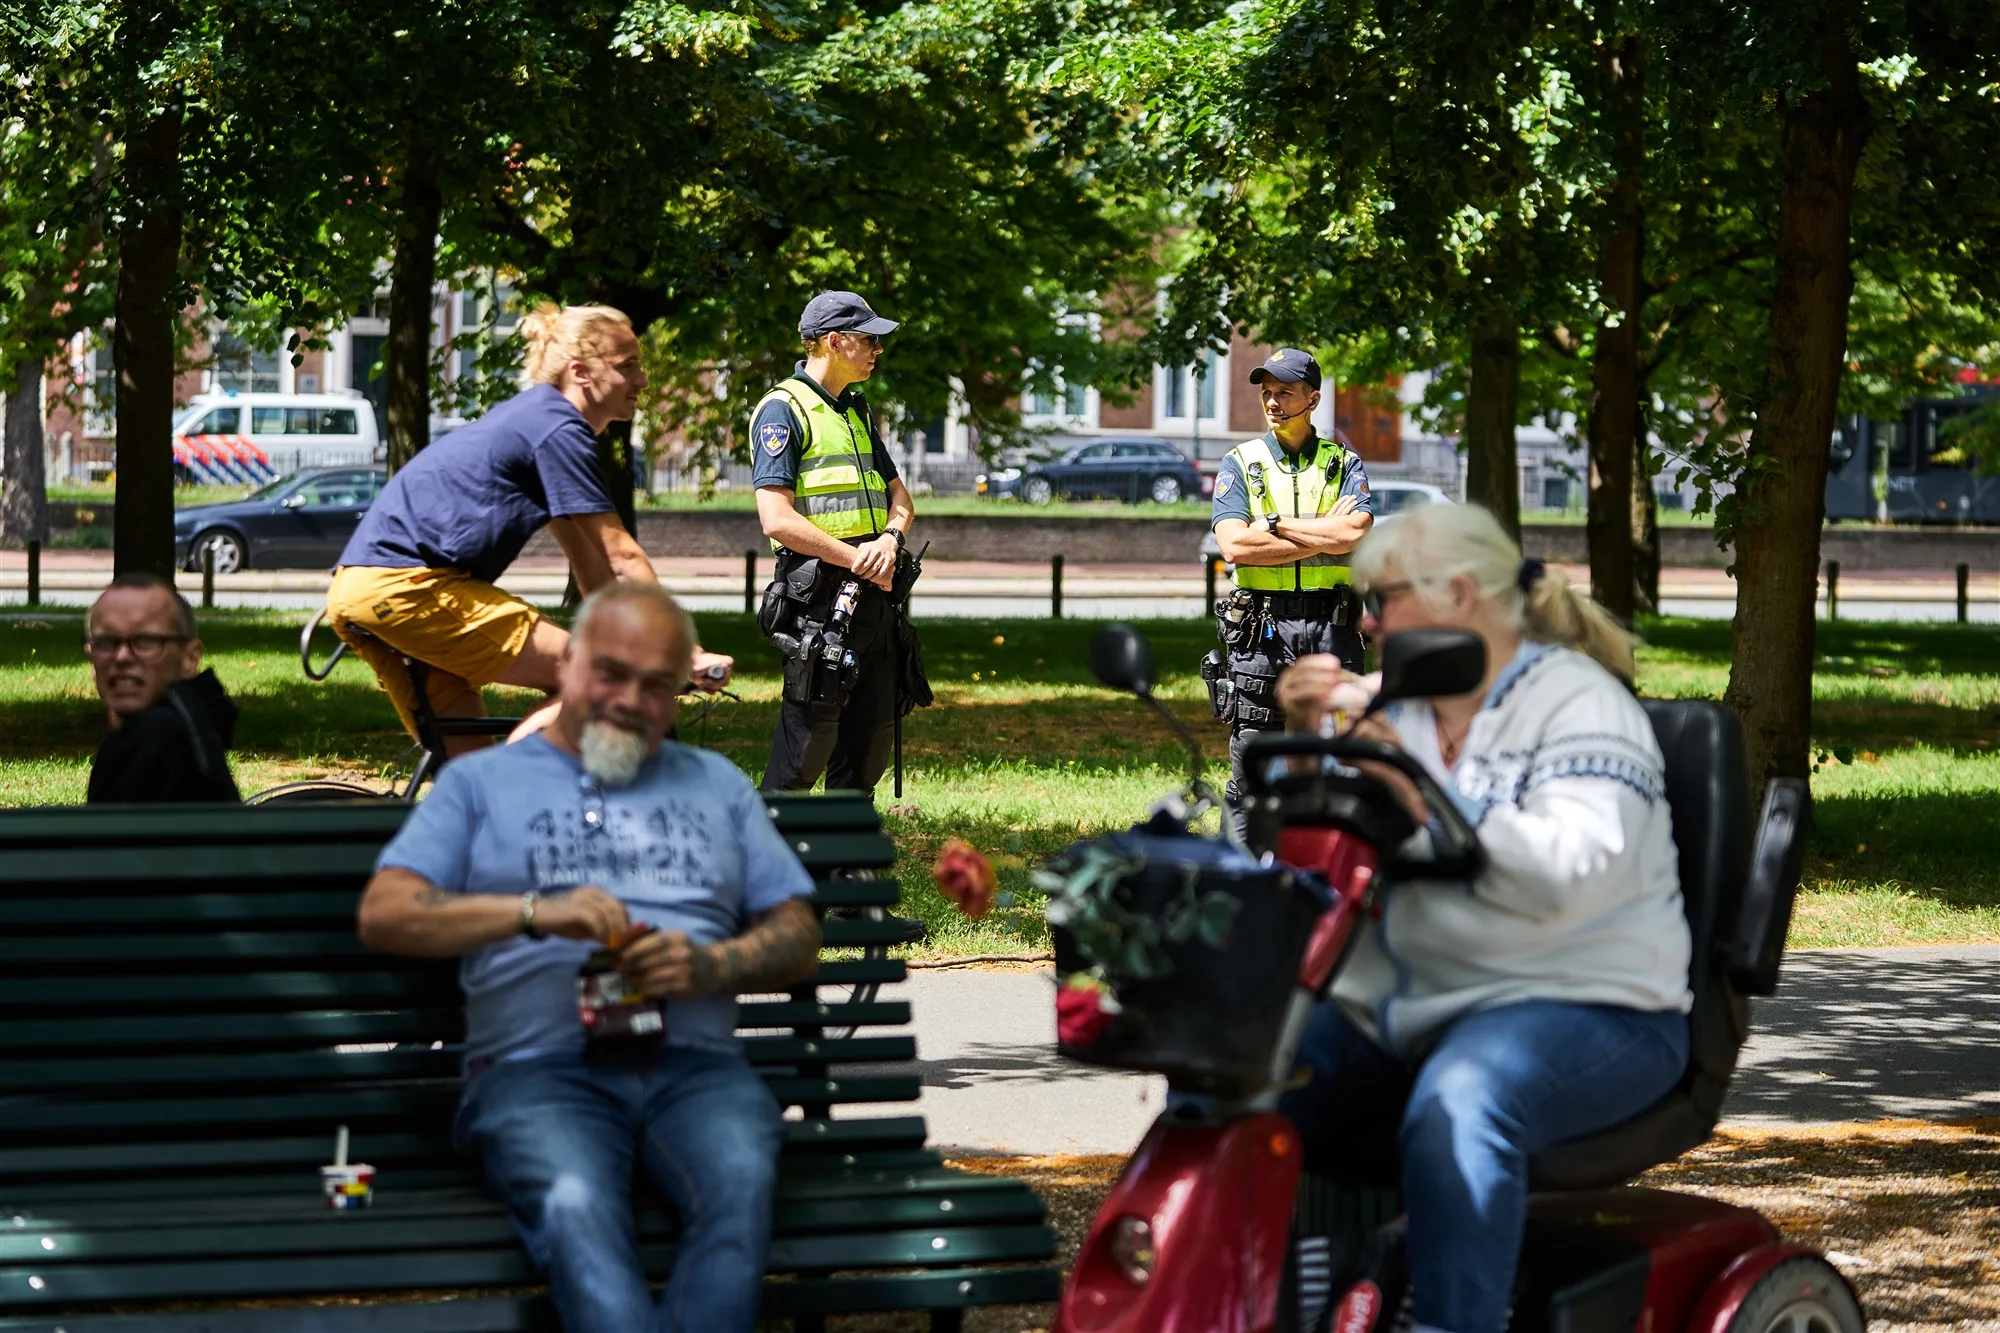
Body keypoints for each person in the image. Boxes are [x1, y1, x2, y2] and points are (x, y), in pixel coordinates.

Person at [1271, 503, 1690, 1333]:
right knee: (1249, 1069)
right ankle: (1265, 1304)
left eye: (1380, 599)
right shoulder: (1395, 705)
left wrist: (1418, 791)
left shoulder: (1580, 703)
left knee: (1464, 1097)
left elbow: (1569, 874)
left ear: (1458, 594)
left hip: (1597, 1005)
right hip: (1417, 1006)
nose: (1365, 621)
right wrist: (1301, 734)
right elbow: (1309, 862)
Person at [355, 583, 819, 1333]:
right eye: (611, 673)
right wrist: (532, 913)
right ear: (567, 665)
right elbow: (386, 911)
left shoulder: (716, 787)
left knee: (739, 1178)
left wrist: (714, 966)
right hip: (537, 1069)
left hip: (693, 1069)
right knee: (575, 1203)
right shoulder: (482, 783)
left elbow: (796, 930)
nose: (630, 700)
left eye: (657, 684)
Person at [327, 303, 731, 755]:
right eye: (627, 366)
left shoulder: (537, 422)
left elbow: (593, 567)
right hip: (411, 588)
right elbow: (622, 557)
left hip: (362, 589)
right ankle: (511, 773)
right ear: (580, 372)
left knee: (467, 767)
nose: (643, 381)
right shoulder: (557, 429)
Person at [752, 290, 917, 800]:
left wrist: (890, 539)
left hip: (875, 604)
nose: (877, 350)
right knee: (802, 755)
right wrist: (859, 560)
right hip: (820, 607)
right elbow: (775, 519)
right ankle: (771, 846)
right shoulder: (783, 410)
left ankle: (846, 848)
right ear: (834, 341)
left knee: (868, 751)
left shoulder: (857, 411)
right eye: (869, 340)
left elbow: (901, 499)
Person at [1207, 348, 1373, 817]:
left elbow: (1354, 533)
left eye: (1285, 392)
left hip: (1332, 627)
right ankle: (1247, 858)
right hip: (1262, 628)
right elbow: (1234, 545)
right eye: (1267, 392)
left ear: (1313, 399)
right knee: (1252, 765)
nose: (1272, 402)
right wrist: (1323, 535)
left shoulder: (1344, 463)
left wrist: (1275, 525)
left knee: (1339, 758)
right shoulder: (1241, 462)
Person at [84, 572, 240, 803]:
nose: (122, 657)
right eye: (106, 642)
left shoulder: (160, 737)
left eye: (145, 641)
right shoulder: (194, 719)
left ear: (190, 658)